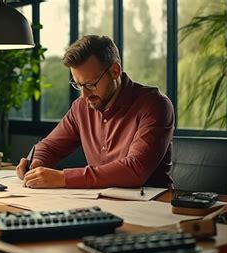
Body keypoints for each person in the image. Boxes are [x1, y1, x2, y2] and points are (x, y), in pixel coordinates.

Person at [16, 35, 174, 189]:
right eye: (78, 85)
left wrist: (63, 178)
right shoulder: (81, 107)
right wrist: (35, 161)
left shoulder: (155, 105)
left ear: (114, 71)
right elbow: (50, 146)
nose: (84, 95)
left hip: (152, 206)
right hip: (101, 203)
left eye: (90, 84)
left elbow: (135, 168)